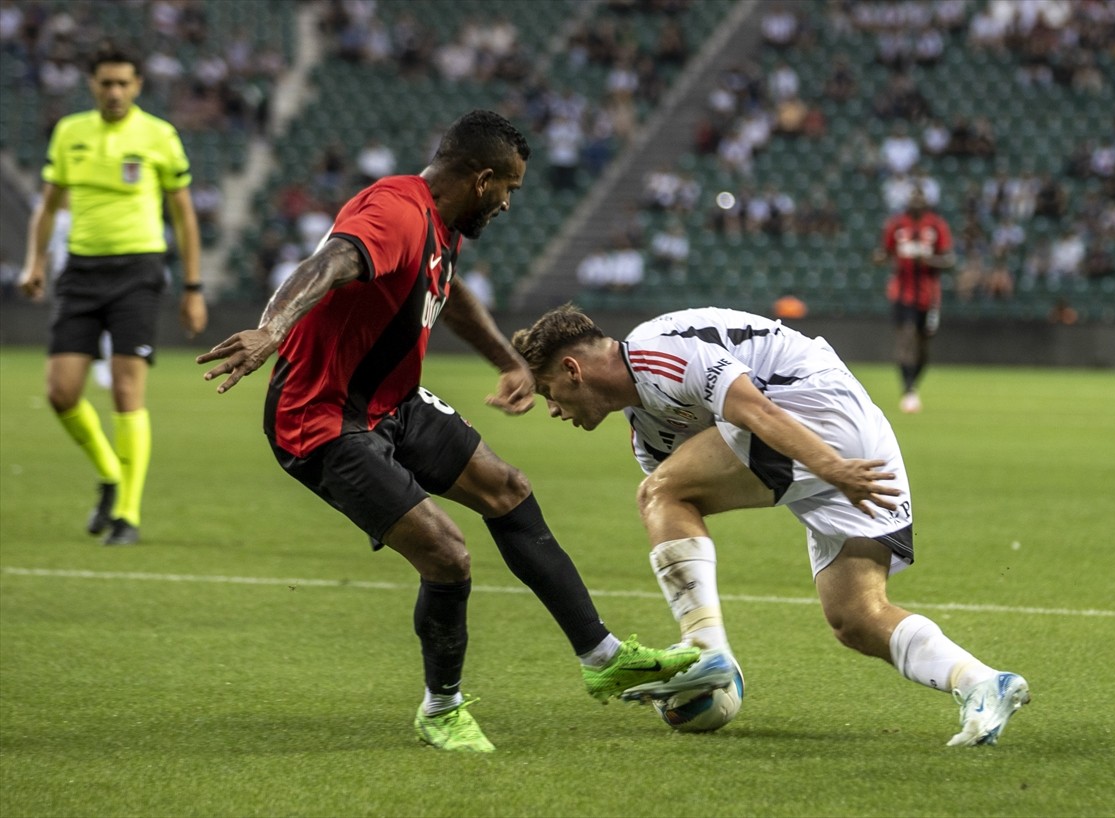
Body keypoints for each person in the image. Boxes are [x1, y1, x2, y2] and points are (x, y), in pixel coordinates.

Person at [196, 110, 706, 754]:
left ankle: (602, 657)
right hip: (321, 416)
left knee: (508, 490)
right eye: (510, 190)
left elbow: (449, 290)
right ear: (482, 178)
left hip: (392, 402)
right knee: (447, 555)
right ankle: (442, 708)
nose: (509, 204)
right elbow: (329, 261)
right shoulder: (396, 211)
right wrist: (274, 326)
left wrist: (507, 360)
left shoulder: (440, 225)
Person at [511, 304, 1031, 747]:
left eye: (547, 390)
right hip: (852, 444)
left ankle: (705, 651)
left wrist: (833, 467)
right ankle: (983, 683)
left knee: (660, 491)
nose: (552, 408)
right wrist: (836, 469)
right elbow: (689, 509)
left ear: (573, 370)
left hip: (817, 413)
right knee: (856, 617)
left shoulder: (657, 351)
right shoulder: (647, 434)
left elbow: (755, 411)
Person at [19, 44, 207, 546]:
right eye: (106, 83)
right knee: (60, 393)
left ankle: (126, 513)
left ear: (138, 85)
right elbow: (49, 204)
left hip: (138, 271)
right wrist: (35, 262)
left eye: (124, 83)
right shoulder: (69, 132)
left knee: (127, 392)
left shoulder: (159, 136)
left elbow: (184, 214)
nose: (115, 91)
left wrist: (193, 287)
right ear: (92, 85)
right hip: (80, 271)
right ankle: (109, 473)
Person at [872, 185, 954, 413]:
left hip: (929, 296)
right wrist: (879, 257)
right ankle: (908, 390)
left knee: (923, 346)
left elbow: (949, 260)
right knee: (905, 338)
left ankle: (912, 385)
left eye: (920, 198)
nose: (915, 202)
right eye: (912, 198)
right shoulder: (896, 224)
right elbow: (883, 253)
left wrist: (927, 261)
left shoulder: (937, 225)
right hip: (902, 292)